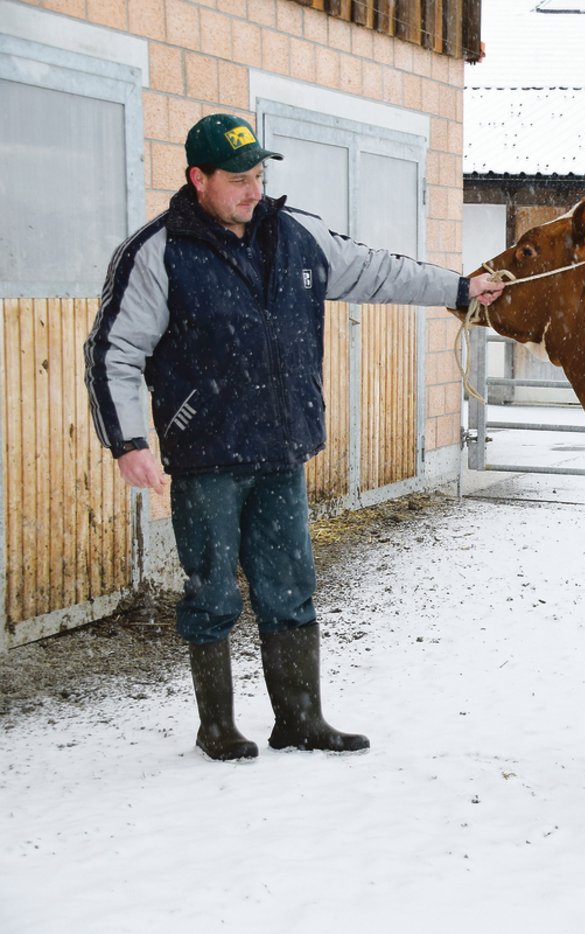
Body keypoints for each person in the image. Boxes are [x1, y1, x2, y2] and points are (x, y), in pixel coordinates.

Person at [84, 113, 503, 761]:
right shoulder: (158, 252)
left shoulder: (294, 234)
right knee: (213, 591)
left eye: (258, 175)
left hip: (283, 449)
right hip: (207, 456)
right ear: (198, 178)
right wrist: (130, 442)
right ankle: (217, 726)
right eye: (237, 179)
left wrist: (458, 287)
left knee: (290, 586)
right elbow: (113, 351)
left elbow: (374, 272)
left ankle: (300, 720)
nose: (253, 191)